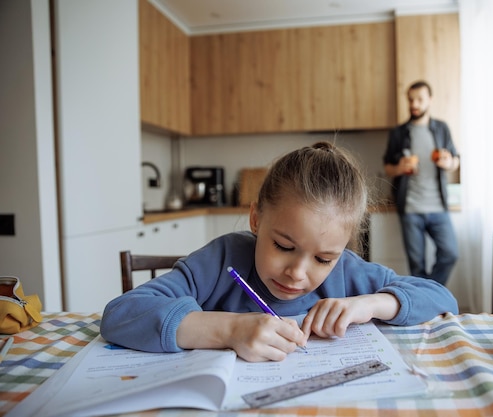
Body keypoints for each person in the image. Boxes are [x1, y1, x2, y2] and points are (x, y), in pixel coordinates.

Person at [101, 141, 458, 362]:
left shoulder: (348, 274)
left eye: (323, 258)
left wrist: (369, 304)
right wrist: (226, 330)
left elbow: (442, 299)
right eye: (284, 246)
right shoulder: (223, 260)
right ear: (256, 218)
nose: (298, 273)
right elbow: (119, 315)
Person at [383, 80, 459, 286]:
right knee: (416, 266)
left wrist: (448, 161)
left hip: (438, 206)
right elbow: (387, 167)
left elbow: (455, 160)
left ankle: (427, 293)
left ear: (429, 100)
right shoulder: (398, 133)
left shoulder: (441, 129)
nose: (414, 104)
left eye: (419, 99)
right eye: (410, 100)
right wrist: (400, 167)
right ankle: (426, 301)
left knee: (450, 254)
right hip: (410, 208)